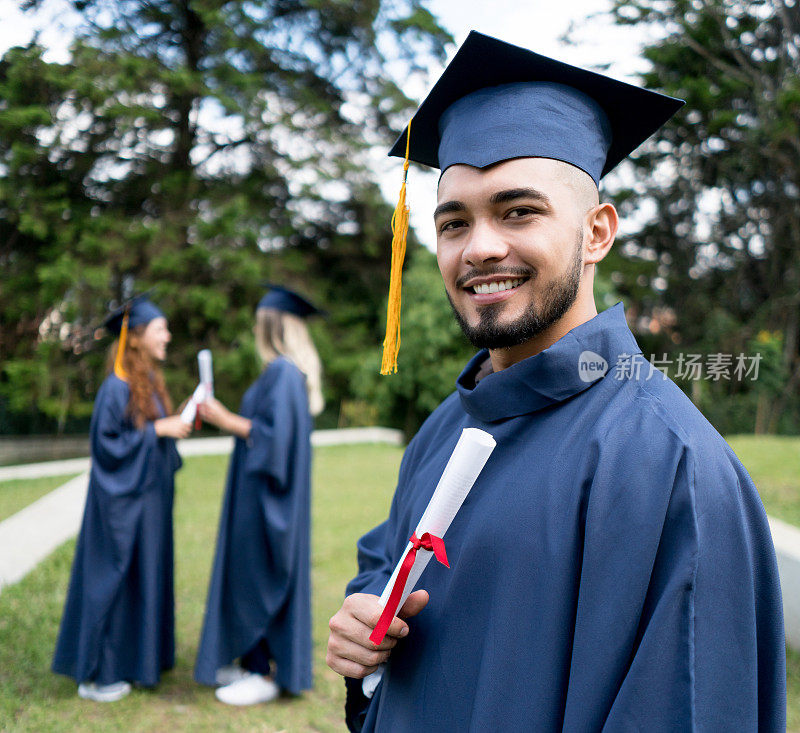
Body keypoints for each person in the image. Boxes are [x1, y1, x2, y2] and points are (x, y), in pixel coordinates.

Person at [326, 31, 786, 731]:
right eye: (454, 222)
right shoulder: (447, 427)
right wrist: (366, 632)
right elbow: (384, 570)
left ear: (598, 231)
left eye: (519, 211)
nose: (480, 246)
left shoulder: (670, 468)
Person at [52, 295, 191, 702]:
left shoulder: (148, 382)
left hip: (147, 505)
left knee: (143, 578)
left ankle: (139, 662)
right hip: (121, 508)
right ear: (136, 338)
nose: (168, 335)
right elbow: (108, 448)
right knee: (116, 578)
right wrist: (157, 432)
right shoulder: (116, 387)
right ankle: (98, 673)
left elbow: (152, 435)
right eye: (160, 328)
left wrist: (173, 425)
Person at [194, 285, 324, 706]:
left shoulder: (284, 373)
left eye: (256, 322)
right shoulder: (280, 373)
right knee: (249, 572)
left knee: (261, 573)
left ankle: (263, 671)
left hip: (270, 497)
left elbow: (277, 442)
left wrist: (225, 418)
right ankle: (250, 659)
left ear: (269, 326)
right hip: (257, 492)